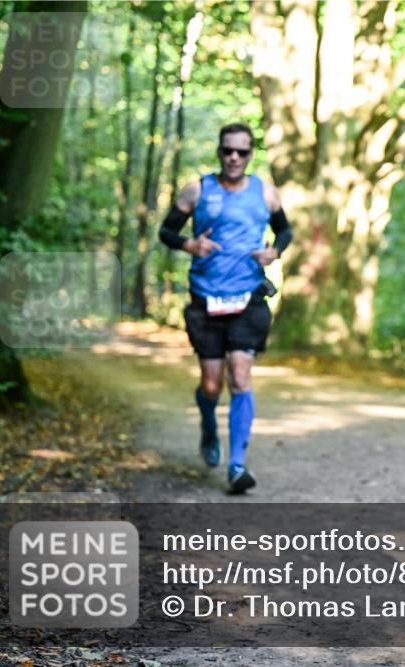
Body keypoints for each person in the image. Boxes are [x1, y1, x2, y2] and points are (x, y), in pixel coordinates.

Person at [158, 122, 292, 493]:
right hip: (206, 299)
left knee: (240, 375)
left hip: (248, 297)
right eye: (227, 150)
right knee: (212, 384)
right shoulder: (198, 189)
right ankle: (207, 422)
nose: (234, 157)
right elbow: (167, 231)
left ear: (250, 155)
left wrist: (275, 251)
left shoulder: (264, 193)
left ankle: (237, 465)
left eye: (242, 152)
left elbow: (285, 231)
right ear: (219, 152)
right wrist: (189, 246)